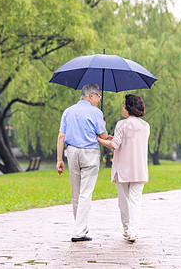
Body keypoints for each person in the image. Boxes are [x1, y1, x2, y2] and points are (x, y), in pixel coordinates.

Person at [56, 84, 110, 242]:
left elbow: (61, 136)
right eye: (99, 96)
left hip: (72, 152)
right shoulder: (96, 112)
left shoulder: (68, 111)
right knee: (86, 193)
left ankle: (81, 227)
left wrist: (59, 159)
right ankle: (79, 231)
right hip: (90, 153)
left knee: (76, 194)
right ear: (91, 95)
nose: (99, 99)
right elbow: (104, 136)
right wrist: (104, 127)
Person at [97, 94, 150, 243]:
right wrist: (111, 137)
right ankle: (133, 231)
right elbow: (132, 140)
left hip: (123, 169)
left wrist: (99, 139)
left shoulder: (121, 124)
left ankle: (127, 229)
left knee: (123, 202)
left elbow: (115, 145)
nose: (122, 107)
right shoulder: (146, 126)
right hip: (139, 168)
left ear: (128, 107)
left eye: (124, 104)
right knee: (135, 201)